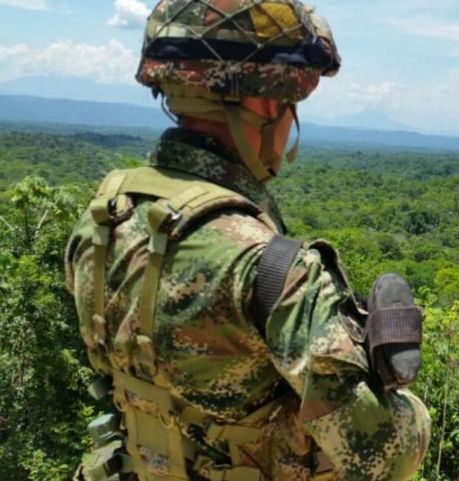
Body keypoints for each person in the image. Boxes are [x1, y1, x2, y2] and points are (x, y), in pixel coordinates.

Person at [65, 1, 430, 480]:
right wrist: (408, 407)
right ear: (262, 104)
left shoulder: (105, 218)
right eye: (289, 107)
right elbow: (386, 456)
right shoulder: (272, 269)